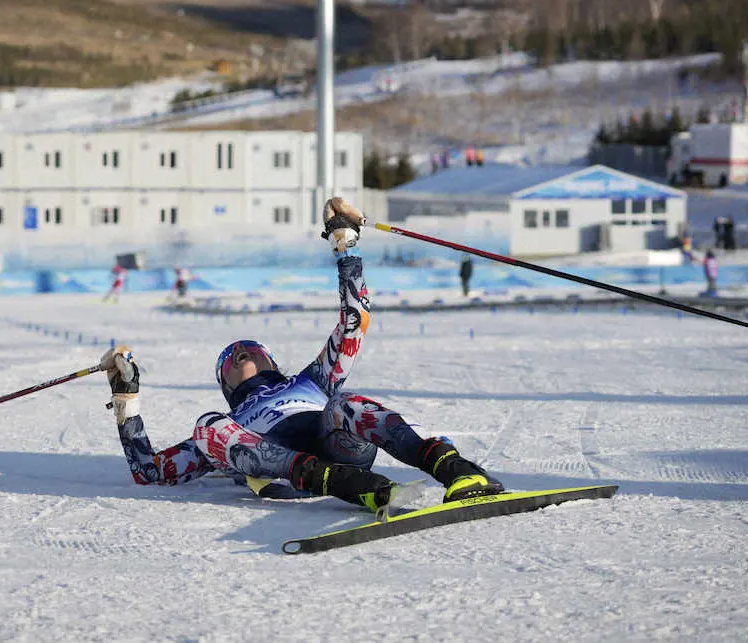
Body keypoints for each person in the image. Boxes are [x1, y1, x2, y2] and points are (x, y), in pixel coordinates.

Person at [101, 197, 504, 512]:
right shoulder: (233, 420)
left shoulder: (312, 380)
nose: (241, 351)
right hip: (285, 471)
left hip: (337, 441)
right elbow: (148, 471)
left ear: (272, 364)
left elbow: (355, 320)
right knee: (209, 426)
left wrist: (344, 244)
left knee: (345, 403)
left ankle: (459, 473)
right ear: (226, 384)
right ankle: (350, 486)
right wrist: (125, 397)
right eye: (231, 357)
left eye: (251, 350)